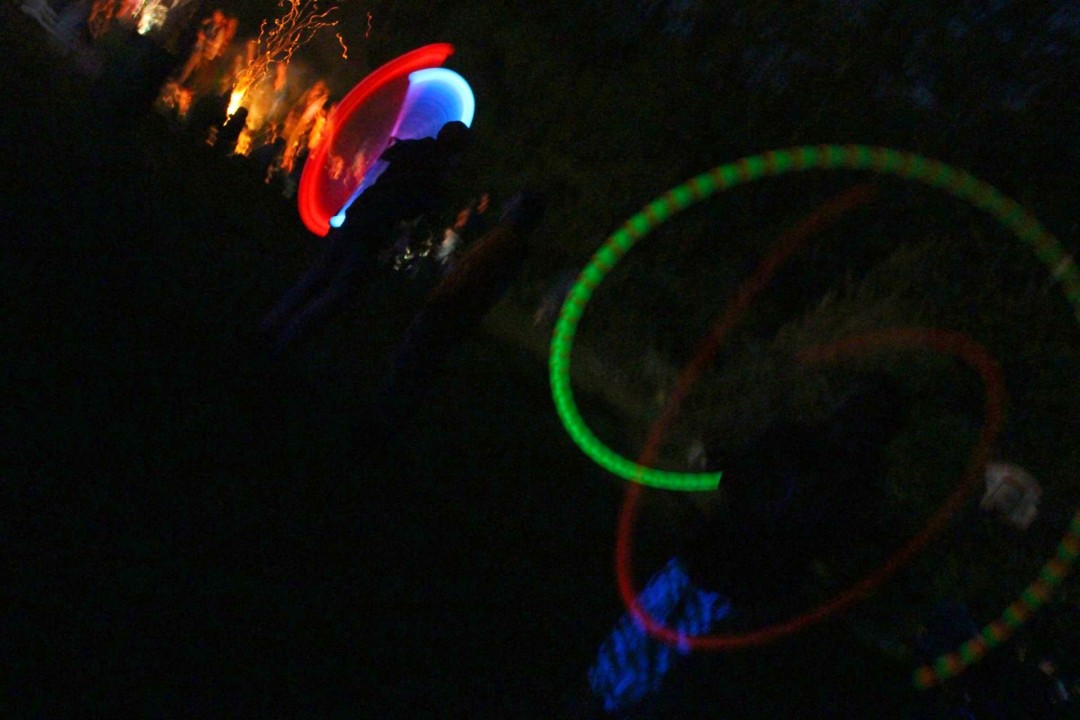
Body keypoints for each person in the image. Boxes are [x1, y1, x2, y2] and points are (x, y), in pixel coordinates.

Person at [584, 372, 911, 717]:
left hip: (730, 574)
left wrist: (722, 465)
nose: (847, 413)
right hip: (723, 565)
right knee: (650, 643)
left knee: (657, 650)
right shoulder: (811, 453)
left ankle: (610, 700)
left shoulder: (840, 476)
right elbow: (740, 474)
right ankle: (605, 698)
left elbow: (744, 479)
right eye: (854, 405)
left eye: (860, 409)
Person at [258, 120, 472, 356]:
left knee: (321, 272)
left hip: (362, 213)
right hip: (377, 228)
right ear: (454, 150)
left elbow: (381, 160)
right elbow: (421, 208)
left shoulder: (412, 148)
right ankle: (289, 336)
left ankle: (272, 323)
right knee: (341, 288)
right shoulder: (436, 172)